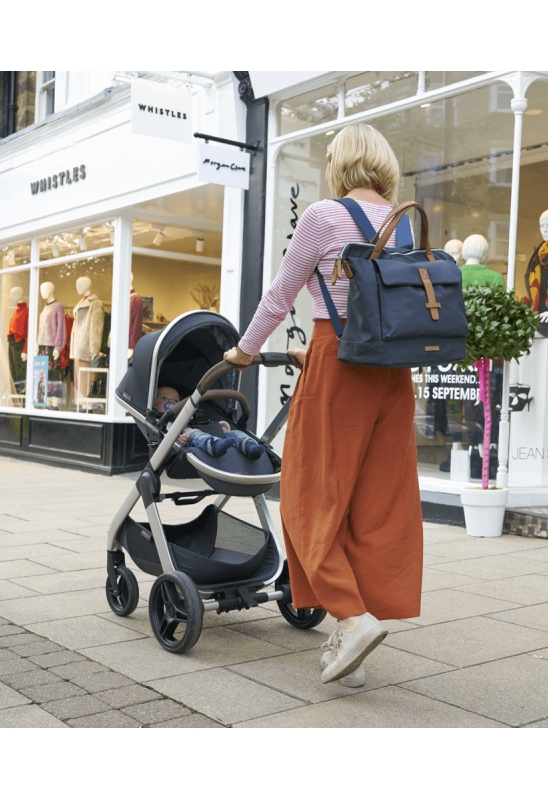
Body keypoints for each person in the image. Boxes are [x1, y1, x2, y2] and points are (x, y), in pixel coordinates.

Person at [223, 123, 423, 688]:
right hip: (392, 372)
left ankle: (354, 618)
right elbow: (376, 308)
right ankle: (350, 633)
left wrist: (244, 350)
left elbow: (281, 293)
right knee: (374, 505)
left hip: (339, 368)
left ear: (341, 164)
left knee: (307, 497)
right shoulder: (402, 220)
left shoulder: (322, 216)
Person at [154, 387, 265, 459]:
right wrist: (174, 440)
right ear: (154, 404)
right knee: (195, 434)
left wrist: (219, 428)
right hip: (190, 439)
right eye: (163, 398)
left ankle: (250, 446)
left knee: (233, 433)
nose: (171, 402)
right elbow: (162, 437)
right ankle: (215, 446)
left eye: (176, 401)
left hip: (203, 433)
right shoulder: (159, 422)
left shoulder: (186, 416)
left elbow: (202, 423)